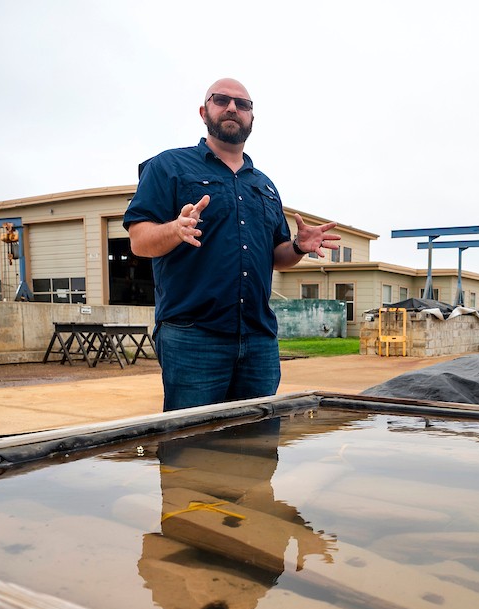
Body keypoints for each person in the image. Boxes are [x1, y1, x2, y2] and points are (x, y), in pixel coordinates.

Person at [124, 78, 340, 411]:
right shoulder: (168, 167)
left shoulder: (264, 185)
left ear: (251, 118)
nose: (232, 108)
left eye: (243, 104)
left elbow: (277, 257)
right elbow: (139, 241)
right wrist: (175, 229)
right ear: (203, 111)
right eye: (221, 100)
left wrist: (298, 246)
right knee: (191, 449)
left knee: (258, 446)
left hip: (259, 341)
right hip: (194, 338)